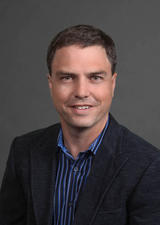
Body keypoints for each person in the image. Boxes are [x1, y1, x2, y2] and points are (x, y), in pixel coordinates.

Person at [0, 24, 160, 225]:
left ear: (112, 83)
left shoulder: (148, 165)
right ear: (51, 84)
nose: (81, 91)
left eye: (95, 77)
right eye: (67, 77)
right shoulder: (23, 151)